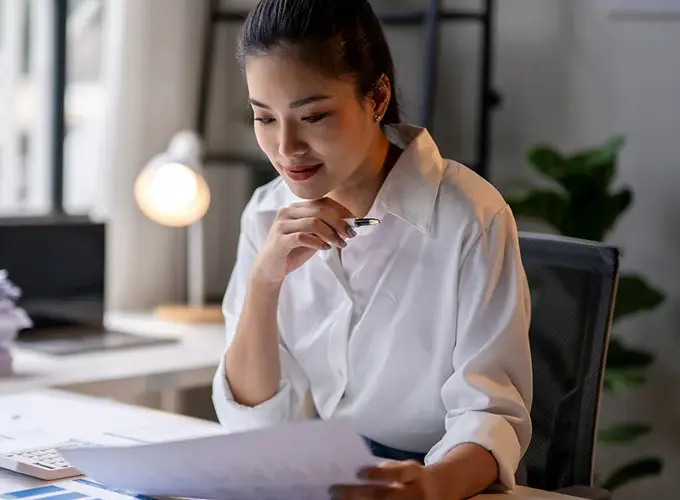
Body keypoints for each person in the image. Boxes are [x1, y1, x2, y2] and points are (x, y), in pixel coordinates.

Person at [211, 1, 533, 499]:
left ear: (376, 96)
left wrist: (426, 488)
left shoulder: (470, 217)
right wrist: (264, 279)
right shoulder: (266, 214)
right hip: (319, 477)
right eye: (264, 118)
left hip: (442, 482)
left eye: (313, 115)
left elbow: (490, 416)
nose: (286, 148)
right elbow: (255, 425)